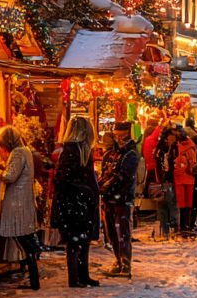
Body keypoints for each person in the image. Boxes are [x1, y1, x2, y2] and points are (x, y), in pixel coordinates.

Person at [51, 116, 100, 288]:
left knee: (82, 239)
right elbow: (62, 179)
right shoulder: (73, 151)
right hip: (74, 203)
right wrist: (84, 190)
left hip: (79, 202)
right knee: (75, 241)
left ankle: (82, 274)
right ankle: (75, 277)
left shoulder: (79, 150)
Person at [0, 125, 41, 290]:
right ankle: (33, 277)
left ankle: (34, 279)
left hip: (17, 201)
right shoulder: (26, 151)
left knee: (22, 238)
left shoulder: (18, 153)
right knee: (26, 240)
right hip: (23, 200)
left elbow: (10, 176)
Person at [99, 121, 140, 276]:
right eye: (116, 135)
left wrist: (107, 185)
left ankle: (125, 262)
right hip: (109, 198)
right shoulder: (111, 154)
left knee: (122, 230)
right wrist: (101, 184)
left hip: (122, 198)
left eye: (120, 135)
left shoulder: (130, 154)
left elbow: (123, 176)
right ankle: (117, 259)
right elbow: (106, 173)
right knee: (111, 232)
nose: (118, 138)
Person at [151, 124, 179, 238]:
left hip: (171, 180)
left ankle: (171, 227)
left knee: (170, 203)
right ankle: (167, 228)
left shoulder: (174, 148)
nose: (174, 138)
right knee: (165, 204)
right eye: (172, 136)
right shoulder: (162, 149)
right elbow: (158, 165)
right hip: (164, 180)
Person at [172, 125, 197, 237]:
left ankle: (184, 225)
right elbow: (193, 163)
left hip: (182, 177)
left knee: (183, 203)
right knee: (187, 202)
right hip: (188, 178)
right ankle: (186, 225)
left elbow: (189, 163)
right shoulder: (191, 146)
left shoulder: (181, 147)